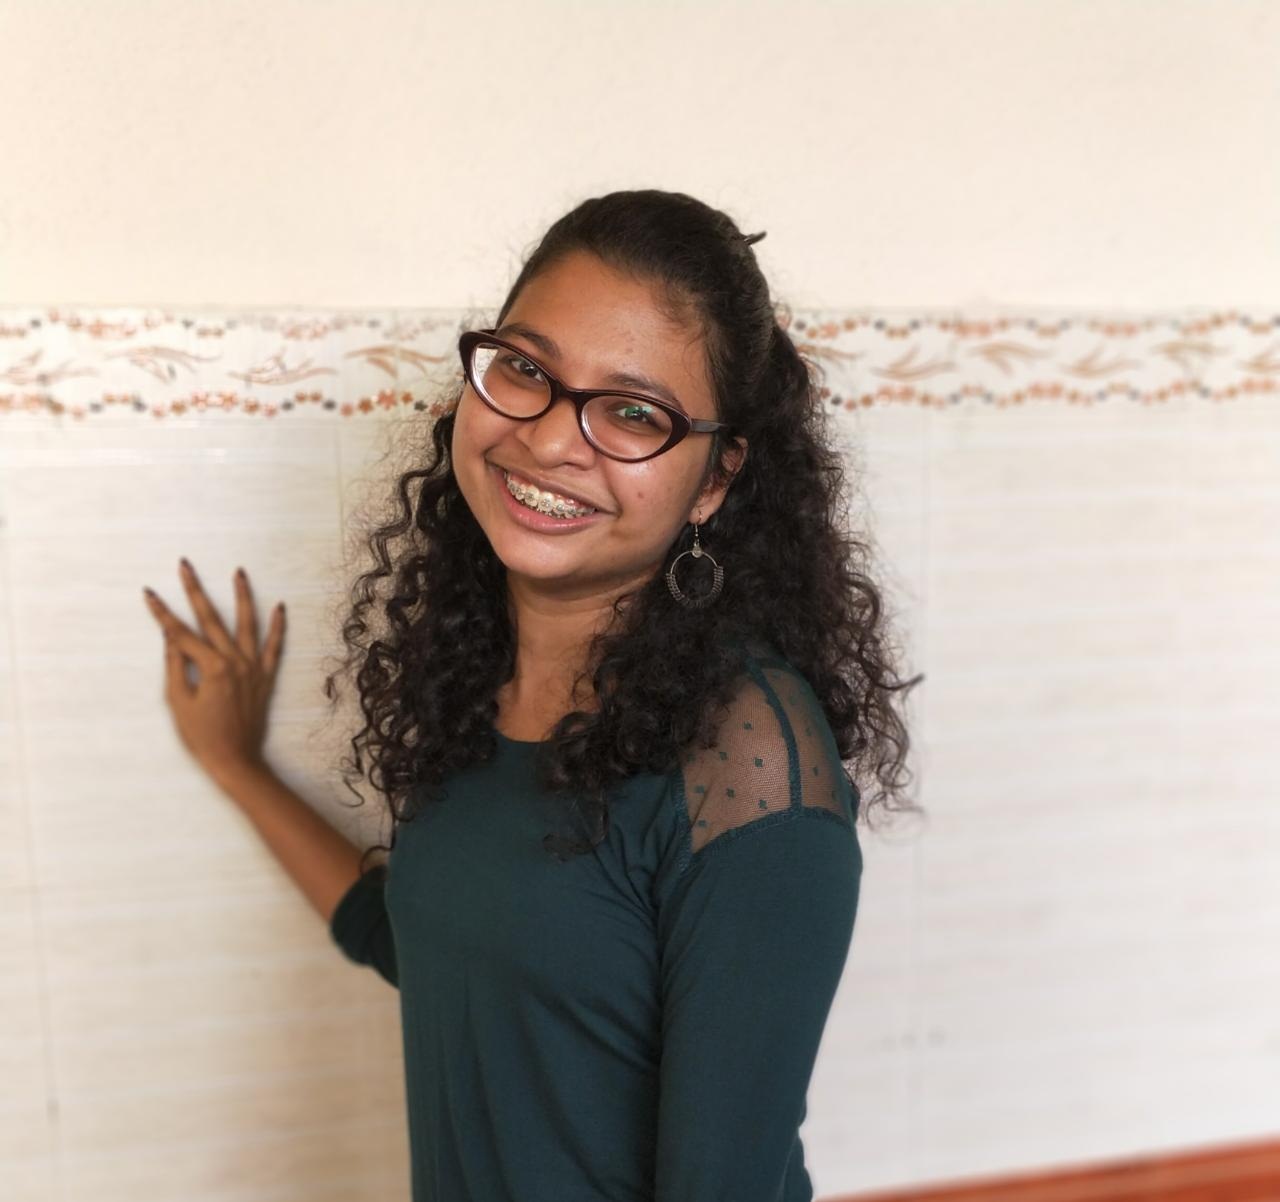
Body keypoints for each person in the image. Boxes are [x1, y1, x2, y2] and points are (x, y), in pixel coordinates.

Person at [143, 188, 923, 1202]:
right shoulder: (477, 677)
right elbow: (435, 948)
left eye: (633, 412)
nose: (553, 439)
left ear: (714, 478)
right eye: (526, 369)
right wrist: (235, 763)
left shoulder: (749, 760)